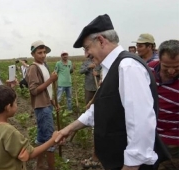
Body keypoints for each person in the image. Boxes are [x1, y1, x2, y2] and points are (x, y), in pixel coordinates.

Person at [55, 14, 168, 170]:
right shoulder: (111, 67)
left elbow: (141, 123)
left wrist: (131, 166)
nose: (86, 54)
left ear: (101, 41)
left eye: (87, 48)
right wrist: (70, 128)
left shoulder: (127, 67)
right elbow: (103, 107)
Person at [0, 85, 59, 170]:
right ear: (8, 107)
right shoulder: (9, 132)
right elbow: (31, 153)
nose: (16, 105)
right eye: (15, 103)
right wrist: (52, 140)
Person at [25, 40, 58, 170]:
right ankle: (51, 167)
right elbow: (34, 90)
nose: (43, 55)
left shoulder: (44, 65)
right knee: (50, 139)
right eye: (39, 53)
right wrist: (51, 80)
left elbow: (47, 90)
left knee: (42, 137)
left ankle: (39, 165)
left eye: (44, 52)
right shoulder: (33, 68)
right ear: (33, 54)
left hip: (46, 104)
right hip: (42, 107)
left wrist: (53, 101)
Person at [148, 40, 179, 170]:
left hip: (174, 141)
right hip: (150, 137)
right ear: (159, 59)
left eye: (177, 67)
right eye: (166, 67)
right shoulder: (148, 69)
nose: (171, 71)